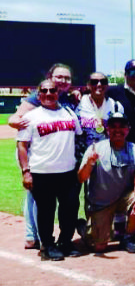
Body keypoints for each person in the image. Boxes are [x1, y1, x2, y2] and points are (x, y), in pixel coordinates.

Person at [9, 63, 77, 250]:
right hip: (33, 153)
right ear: (49, 78)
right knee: (36, 197)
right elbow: (14, 119)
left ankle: (38, 236)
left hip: (58, 158)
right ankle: (33, 236)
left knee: (44, 199)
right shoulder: (37, 97)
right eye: (59, 77)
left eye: (67, 78)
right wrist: (22, 122)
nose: (63, 81)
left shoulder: (67, 99)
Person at [77, 112, 135, 254]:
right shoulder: (95, 149)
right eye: (113, 126)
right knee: (99, 247)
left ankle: (128, 237)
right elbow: (81, 178)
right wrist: (89, 163)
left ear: (128, 129)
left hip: (123, 198)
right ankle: (84, 229)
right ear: (107, 129)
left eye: (122, 126)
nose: (118, 130)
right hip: (100, 203)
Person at [77, 72, 124, 148]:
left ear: (107, 85)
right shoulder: (78, 103)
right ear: (88, 85)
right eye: (94, 82)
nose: (99, 84)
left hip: (108, 154)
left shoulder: (116, 106)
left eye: (103, 82)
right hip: (83, 155)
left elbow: (122, 133)